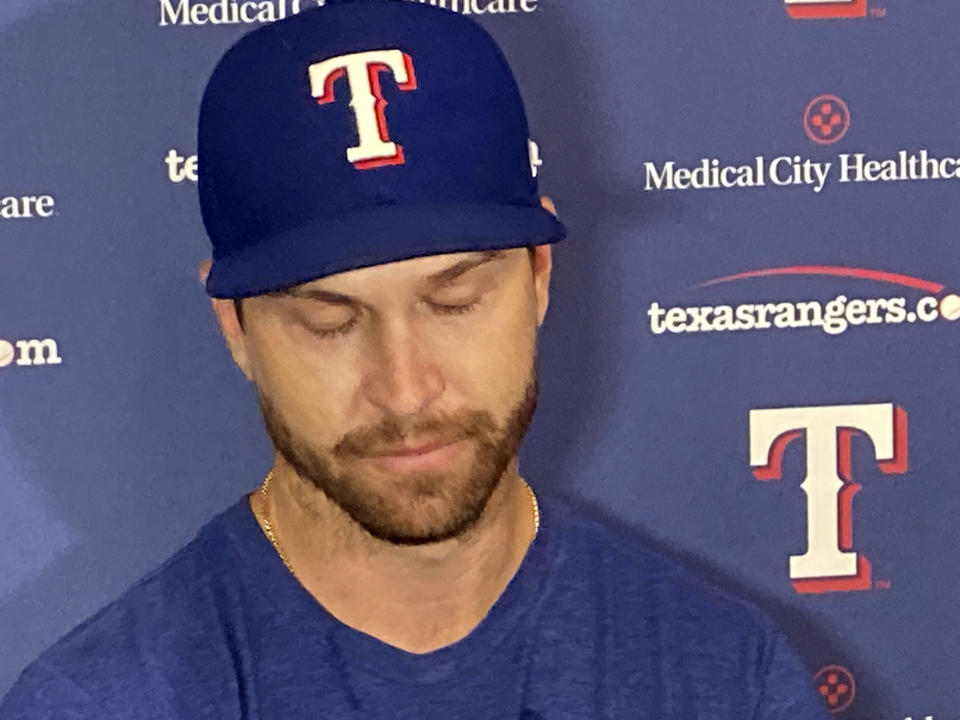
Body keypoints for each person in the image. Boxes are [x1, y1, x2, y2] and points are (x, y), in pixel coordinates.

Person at [1, 0, 831, 717]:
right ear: (235, 328)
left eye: (454, 301)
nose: (404, 388)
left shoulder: (725, 679)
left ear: (539, 278)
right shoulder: (100, 704)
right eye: (329, 321)